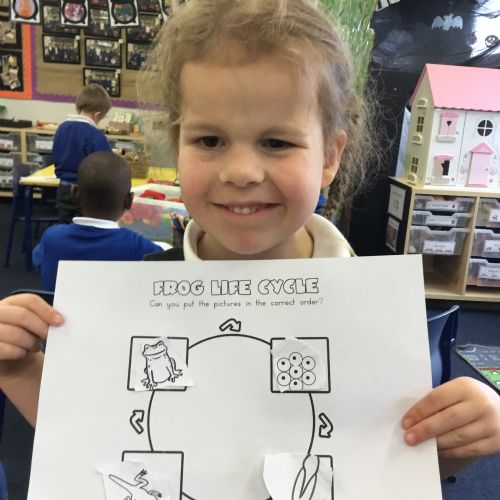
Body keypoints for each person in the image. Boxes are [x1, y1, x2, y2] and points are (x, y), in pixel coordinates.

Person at [0, 0, 499, 482]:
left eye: (276, 142)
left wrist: (457, 443)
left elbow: (386, 467)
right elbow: (96, 444)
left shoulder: (371, 312)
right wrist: (18, 369)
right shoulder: (139, 296)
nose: (240, 172)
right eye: (210, 140)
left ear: (330, 156)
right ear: (177, 145)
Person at [31, 151, 166, 292]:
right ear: (129, 201)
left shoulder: (51, 238)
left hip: (55, 307)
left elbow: (38, 261)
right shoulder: (140, 247)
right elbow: (169, 270)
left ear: (75, 194)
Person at [52, 83, 112, 223]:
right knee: (85, 227)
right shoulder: (95, 135)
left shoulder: (61, 128)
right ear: (97, 115)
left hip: (63, 189)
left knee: (66, 226)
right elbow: (107, 166)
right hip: (86, 192)